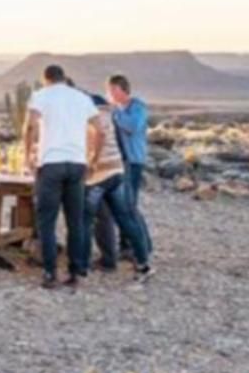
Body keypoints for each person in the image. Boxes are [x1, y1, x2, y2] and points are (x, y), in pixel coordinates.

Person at [23, 64, 97, 289]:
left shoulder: (41, 96)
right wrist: (92, 157)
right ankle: (75, 272)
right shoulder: (82, 98)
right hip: (77, 163)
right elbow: (99, 128)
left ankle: (50, 273)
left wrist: (28, 155)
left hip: (51, 163)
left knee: (47, 221)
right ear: (64, 78)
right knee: (75, 221)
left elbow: (30, 126)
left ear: (46, 79)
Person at [84, 94, 153, 280]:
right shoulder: (111, 117)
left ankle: (81, 264)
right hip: (117, 170)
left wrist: (90, 163)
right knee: (127, 217)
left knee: (86, 218)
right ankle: (143, 262)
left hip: (97, 176)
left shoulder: (88, 120)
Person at [107, 73, 153, 258]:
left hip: (133, 160)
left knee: (130, 205)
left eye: (112, 89)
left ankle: (141, 245)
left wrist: (114, 116)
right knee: (122, 204)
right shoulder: (117, 109)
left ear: (121, 89)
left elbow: (132, 126)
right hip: (120, 161)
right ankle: (126, 245)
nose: (110, 93)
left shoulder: (137, 107)